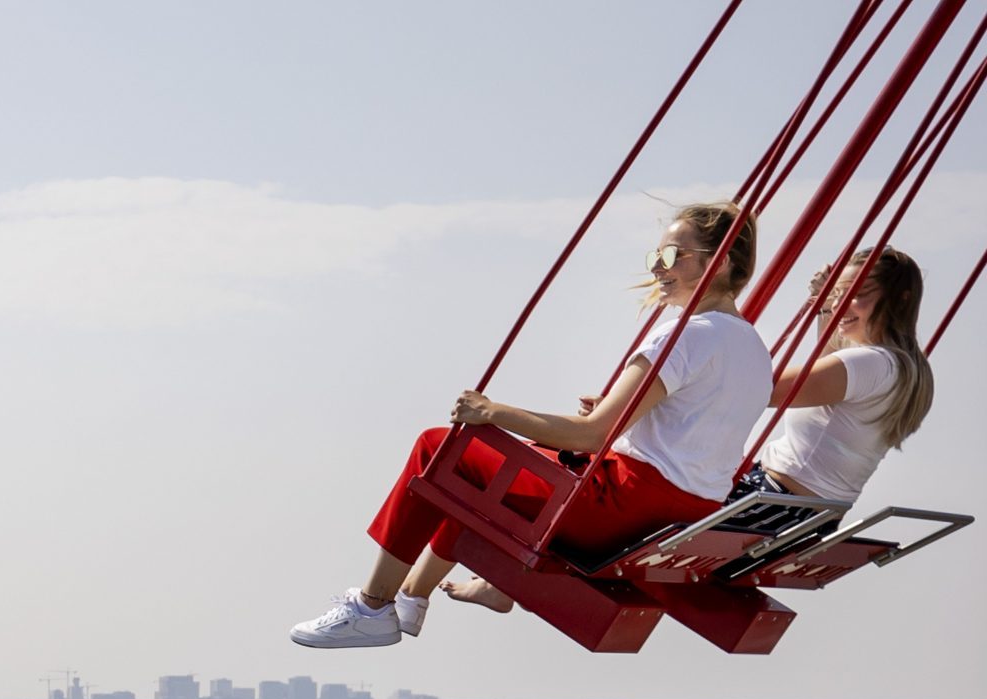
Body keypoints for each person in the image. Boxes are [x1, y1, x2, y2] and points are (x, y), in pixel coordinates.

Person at [291, 202, 772, 648]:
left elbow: (592, 436)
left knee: (441, 449)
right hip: (679, 512)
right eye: (657, 254)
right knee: (499, 466)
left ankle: (373, 607)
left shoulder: (687, 333)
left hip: (621, 507)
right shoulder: (752, 347)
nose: (657, 267)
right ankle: (414, 598)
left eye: (672, 254)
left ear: (722, 261)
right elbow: (692, 430)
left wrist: (492, 412)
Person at [443, 245, 933, 617]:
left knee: (602, 486)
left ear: (898, 299)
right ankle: (504, 583)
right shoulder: (905, 369)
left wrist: (652, 399)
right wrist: (647, 405)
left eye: (858, 296)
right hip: (801, 517)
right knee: (635, 453)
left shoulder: (869, 364)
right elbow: (799, 379)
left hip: (767, 509)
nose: (844, 304)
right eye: (839, 293)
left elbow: (754, 386)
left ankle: (502, 580)